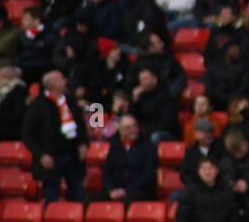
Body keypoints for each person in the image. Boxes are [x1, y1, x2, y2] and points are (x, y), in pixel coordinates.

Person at [21, 70, 88, 202]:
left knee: (78, 193)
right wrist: (41, 155)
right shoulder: (38, 105)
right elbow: (27, 135)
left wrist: (84, 143)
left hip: (72, 153)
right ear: (53, 84)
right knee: (51, 194)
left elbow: (81, 126)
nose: (65, 81)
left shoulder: (70, 101)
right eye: (61, 79)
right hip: (51, 155)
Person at [175, 157, 238, 222]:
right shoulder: (189, 192)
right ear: (198, 171)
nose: (207, 172)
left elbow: (234, 221)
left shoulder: (226, 192)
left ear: (217, 170)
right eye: (204, 168)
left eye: (211, 168)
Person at [102, 114, 159, 202]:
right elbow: (106, 174)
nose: (133, 130)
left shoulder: (148, 147)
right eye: (128, 128)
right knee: (91, 198)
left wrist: (126, 191)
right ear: (120, 131)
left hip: (140, 191)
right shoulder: (115, 147)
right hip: (116, 191)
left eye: (135, 126)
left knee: (127, 199)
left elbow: (148, 176)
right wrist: (111, 190)